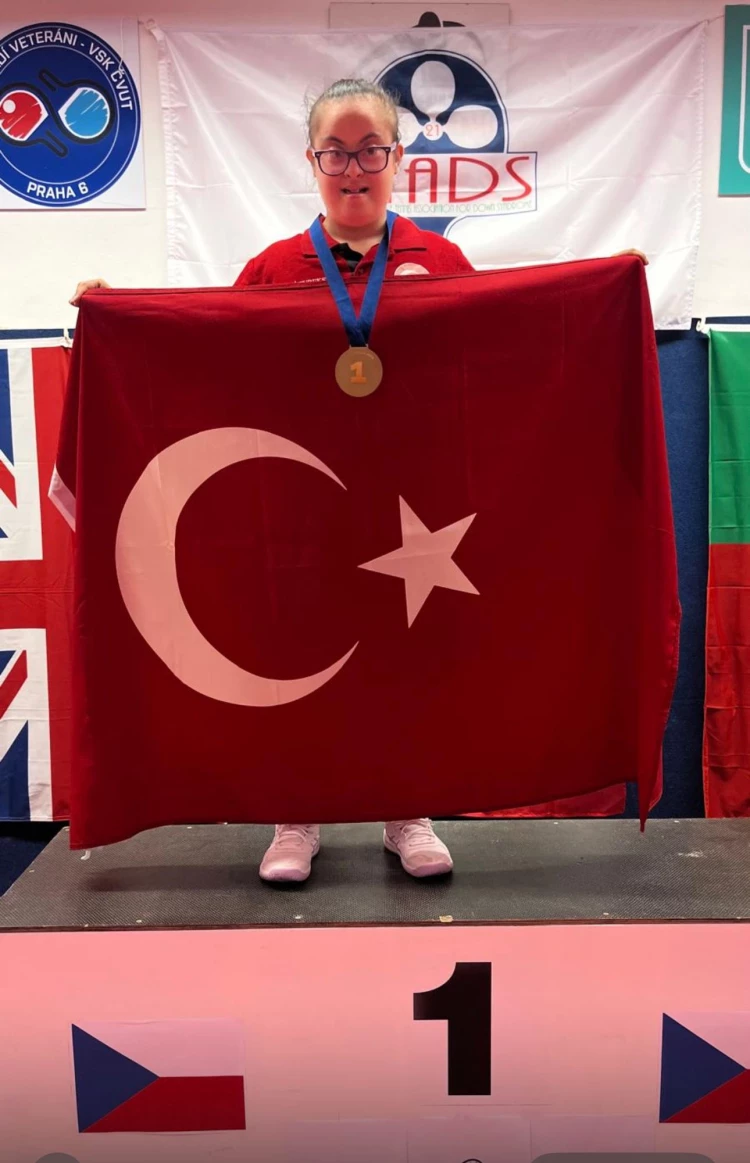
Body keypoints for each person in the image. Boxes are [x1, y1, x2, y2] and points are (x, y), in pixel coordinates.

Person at [70, 77, 647, 886]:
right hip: (302, 514)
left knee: (410, 662)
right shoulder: (275, 268)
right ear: (311, 161)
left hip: (418, 513)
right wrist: (115, 317)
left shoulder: (440, 263)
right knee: (295, 653)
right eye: (336, 152)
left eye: (370, 150)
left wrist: (604, 294)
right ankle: (295, 813)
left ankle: (407, 810)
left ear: (398, 159)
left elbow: (498, 368)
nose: (353, 169)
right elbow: (211, 365)